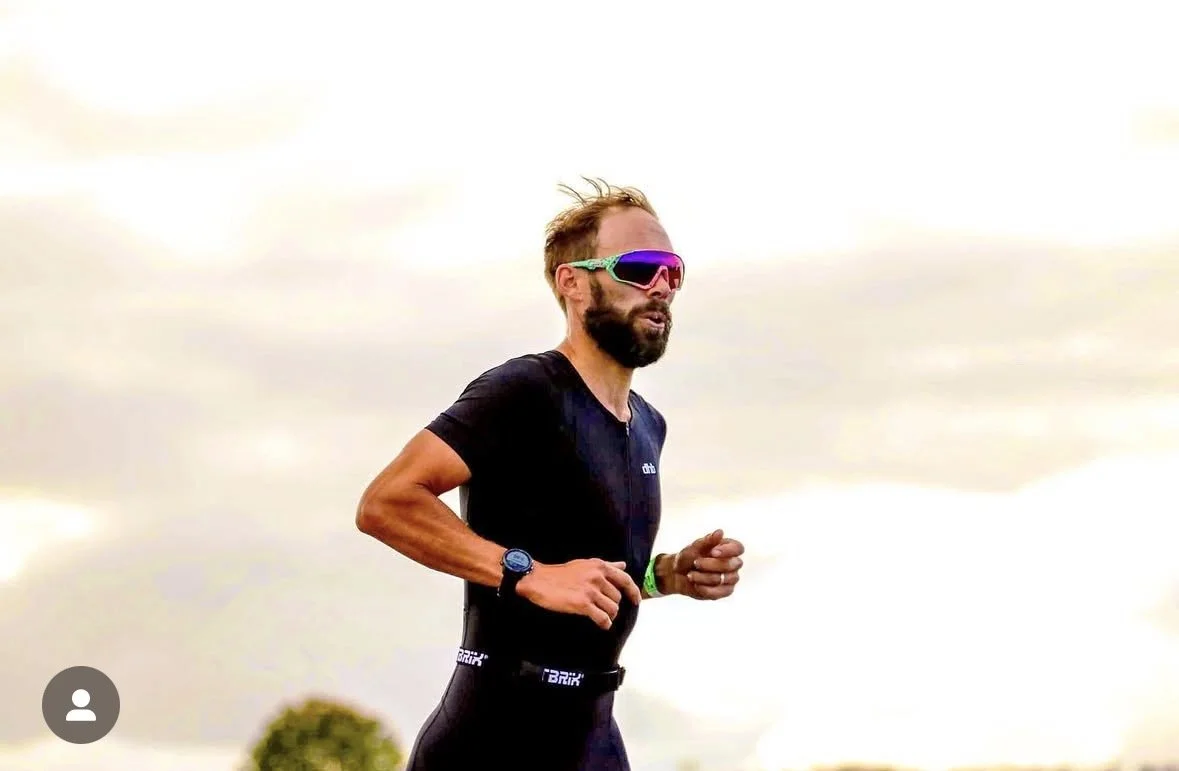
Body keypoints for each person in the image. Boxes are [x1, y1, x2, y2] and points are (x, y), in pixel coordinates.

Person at [355, 178, 746, 770]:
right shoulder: (524, 391)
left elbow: (585, 568)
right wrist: (524, 573)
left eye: (672, 271)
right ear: (573, 282)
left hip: (593, 740)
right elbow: (386, 502)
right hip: (494, 737)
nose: (661, 286)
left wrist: (666, 574)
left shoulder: (649, 425)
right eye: (639, 268)